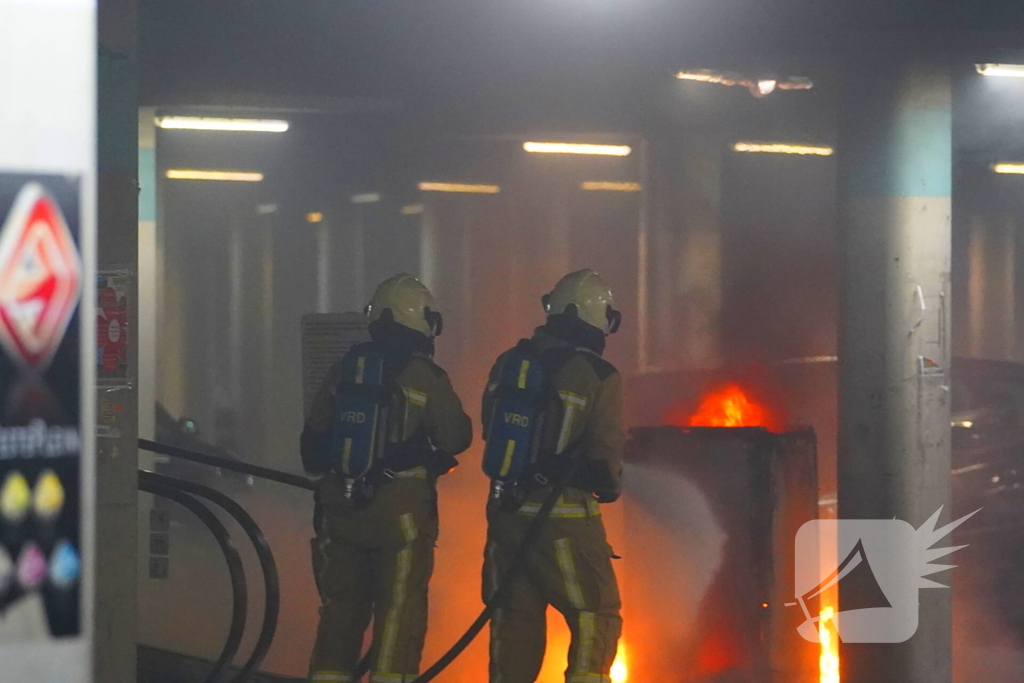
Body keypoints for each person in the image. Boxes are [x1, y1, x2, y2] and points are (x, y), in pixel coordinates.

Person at [301, 274, 473, 683]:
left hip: (339, 510)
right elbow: (456, 436)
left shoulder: (345, 369)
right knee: (399, 613)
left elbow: (312, 444)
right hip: (401, 515)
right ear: (420, 319)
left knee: (340, 614)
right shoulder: (424, 376)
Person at [481, 269, 626, 683]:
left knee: (514, 624)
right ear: (596, 316)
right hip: (565, 523)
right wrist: (608, 484)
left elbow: (491, 430)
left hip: (506, 517)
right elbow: (606, 466)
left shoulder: (508, 363)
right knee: (595, 615)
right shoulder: (599, 375)